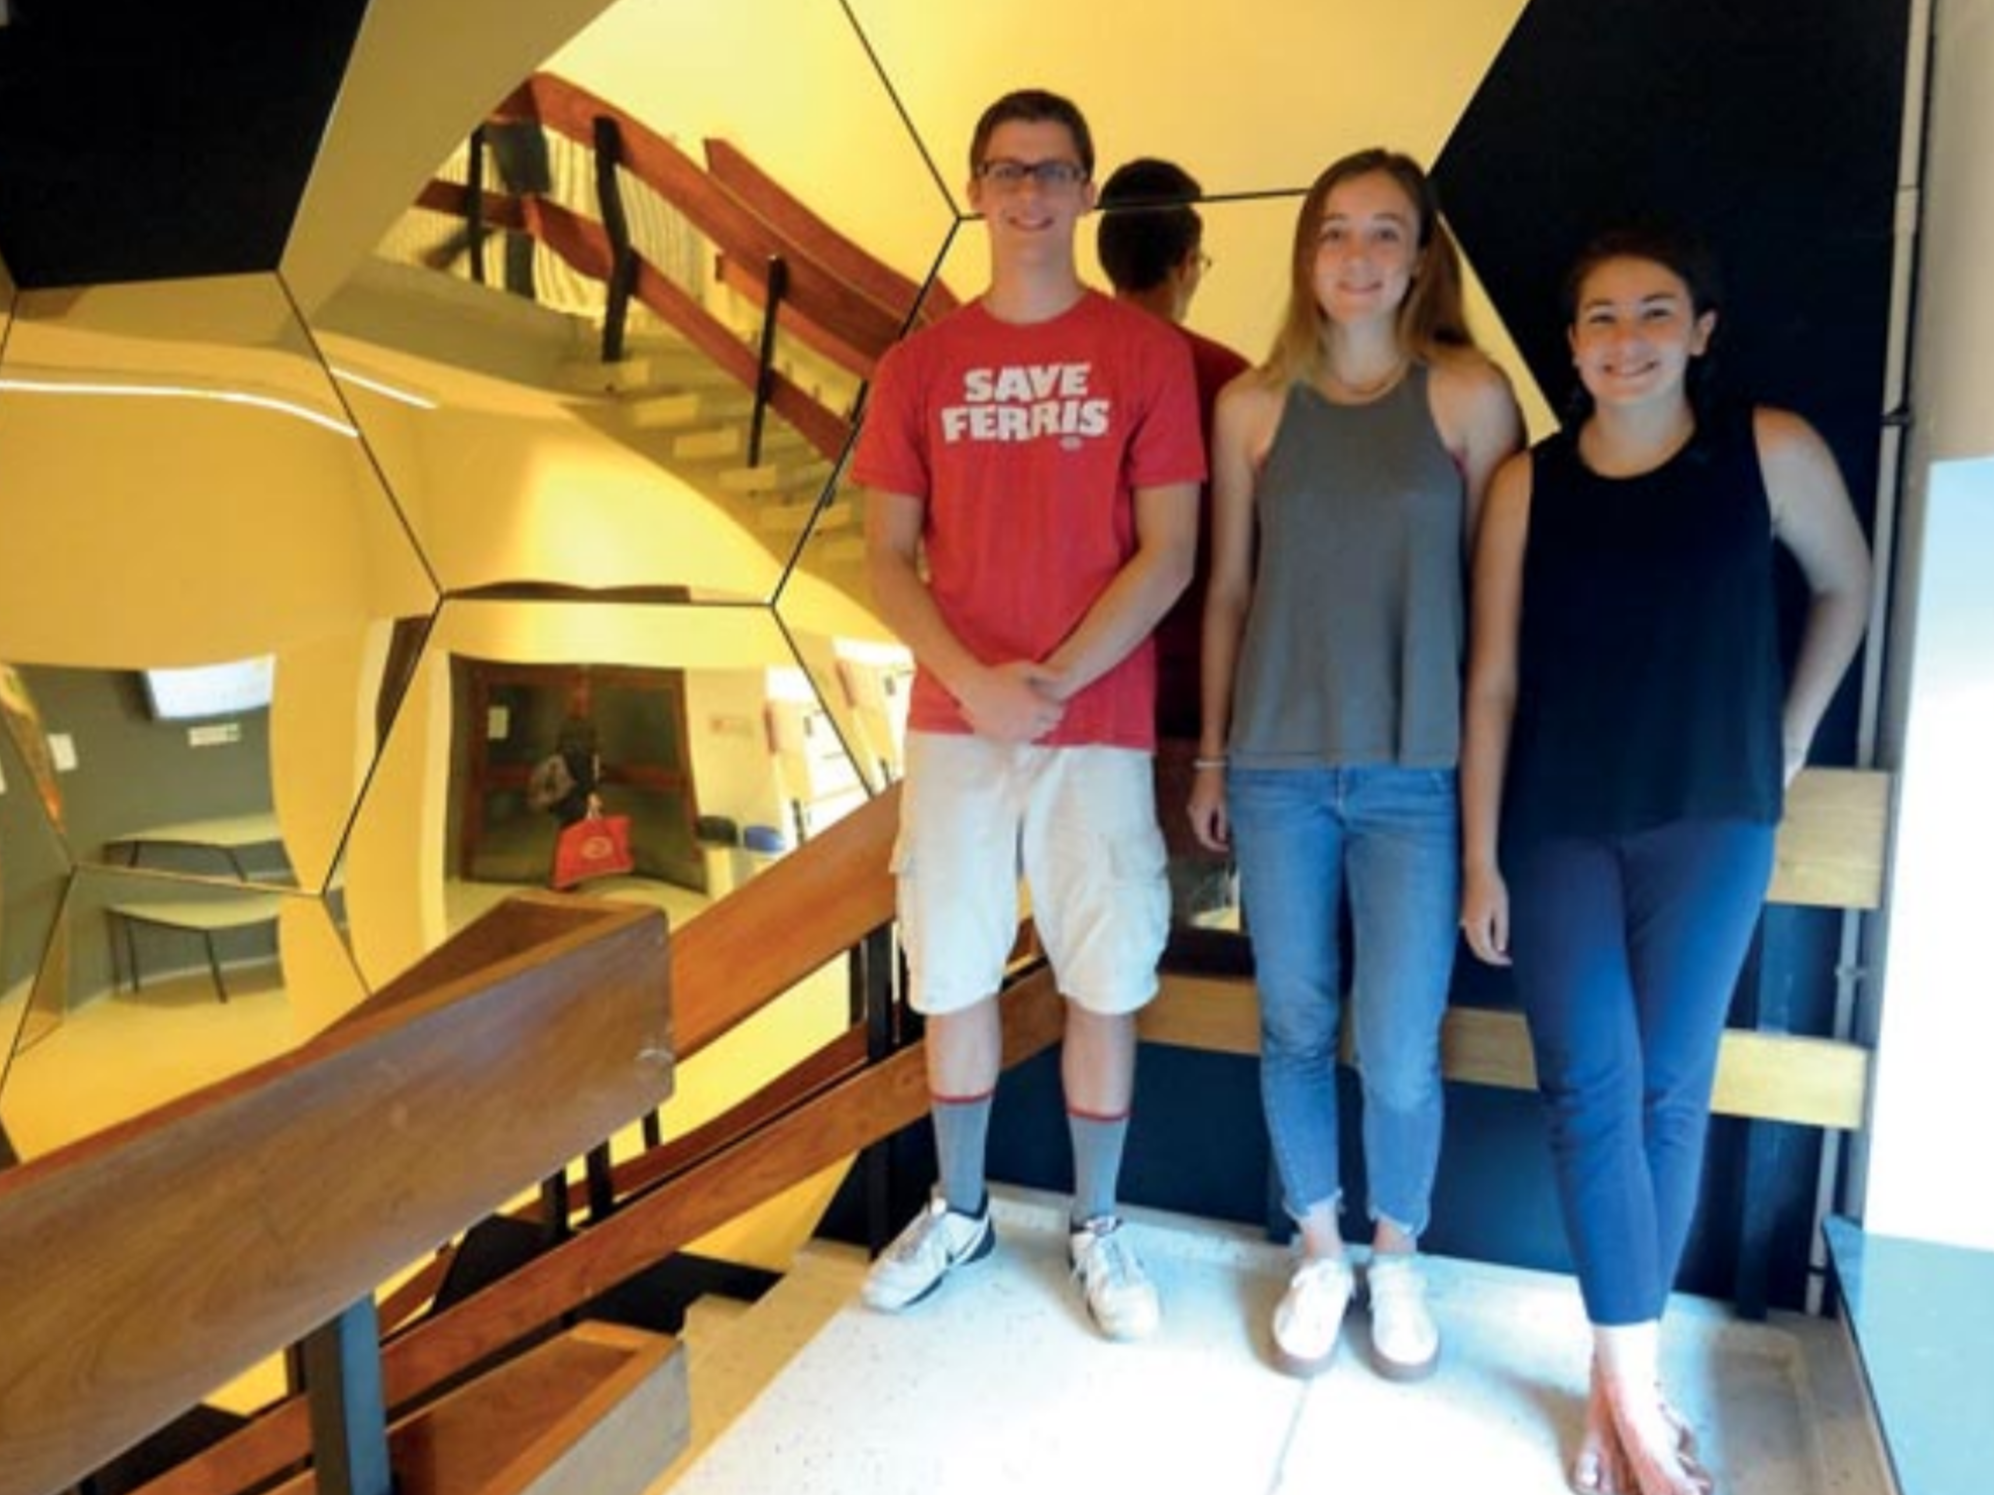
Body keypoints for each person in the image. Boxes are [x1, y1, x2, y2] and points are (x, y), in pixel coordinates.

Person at [1458, 226, 1871, 1495]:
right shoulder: (1528, 483)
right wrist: (1479, 856)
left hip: (1715, 821)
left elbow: (1843, 587)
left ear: (1699, 330)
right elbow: (1491, 679)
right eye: (1596, 317)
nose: (1622, 340)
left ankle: (1614, 1387)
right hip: (1558, 822)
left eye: (1651, 313)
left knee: (1664, 1093)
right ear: (1568, 342)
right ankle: (1634, 1400)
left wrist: (1789, 736)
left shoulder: (1767, 449)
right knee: (1590, 1085)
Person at [852, 89, 1203, 1341]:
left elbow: (1167, 551)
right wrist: (979, 679)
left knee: (1103, 975)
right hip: (954, 725)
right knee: (950, 969)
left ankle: (1098, 1225)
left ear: (1084, 190)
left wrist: (1046, 679)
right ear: (973, 189)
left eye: (1052, 171)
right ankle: (960, 1209)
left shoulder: (1143, 355)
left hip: (1094, 725)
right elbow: (885, 556)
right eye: (1005, 170)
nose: (1027, 192)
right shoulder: (918, 366)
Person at [1187, 148, 1521, 1379]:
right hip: (1273, 768)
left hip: (1417, 777)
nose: (1358, 255)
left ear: (1422, 256)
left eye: (1385, 233)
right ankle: (1316, 1248)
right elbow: (1225, 590)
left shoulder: (1469, 397)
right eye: (1335, 232)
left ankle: (1396, 1252)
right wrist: (1211, 755)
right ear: (1305, 253)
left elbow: (1499, 618)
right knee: (1291, 1021)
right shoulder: (1250, 408)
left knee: (1395, 1041)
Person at [1095, 157, 1252, 923]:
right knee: (1194, 954)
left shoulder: (1067, 370)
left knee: (1096, 937)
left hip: (1085, 710)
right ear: (1188, 263)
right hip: (1199, 714)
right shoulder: (1232, 383)